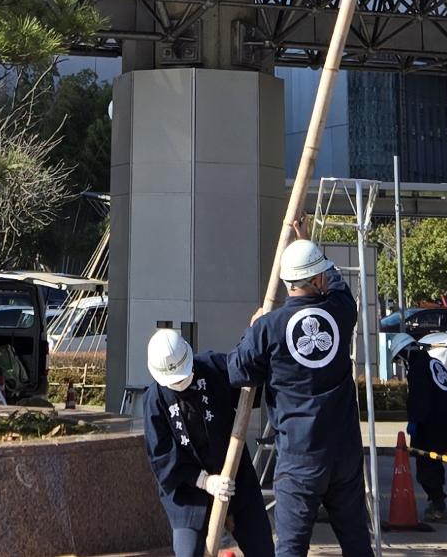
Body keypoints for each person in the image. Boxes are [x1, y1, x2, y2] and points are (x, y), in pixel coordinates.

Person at [230, 235, 374, 557]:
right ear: (318, 279)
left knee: (292, 549)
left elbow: (237, 371)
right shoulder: (340, 311)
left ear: (286, 282)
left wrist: (251, 330)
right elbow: (336, 283)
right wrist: (307, 243)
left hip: (299, 455)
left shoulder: (268, 328)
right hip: (344, 453)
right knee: (357, 545)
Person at [142, 329, 274, 557]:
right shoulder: (155, 400)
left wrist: (254, 338)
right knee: (188, 552)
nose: (180, 382)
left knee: (261, 547)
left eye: (183, 376)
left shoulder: (213, 367)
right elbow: (161, 458)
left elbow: (246, 372)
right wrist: (205, 481)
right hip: (189, 492)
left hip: (235, 476)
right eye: (175, 380)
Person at [401, 341, 447, 522]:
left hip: (431, 424)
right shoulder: (434, 362)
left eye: (400, 357)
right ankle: (437, 503)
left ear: (407, 353)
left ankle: (439, 506)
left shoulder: (418, 369)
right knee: (435, 463)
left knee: (426, 466)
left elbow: (419, 397)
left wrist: (415, 420)